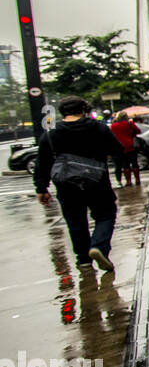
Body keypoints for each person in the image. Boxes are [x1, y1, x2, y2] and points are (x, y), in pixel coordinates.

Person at [34, 95, 124, 272]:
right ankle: (98, 246)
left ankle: (83, 260)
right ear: (84, 110)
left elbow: (42, 163)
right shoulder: (99, 129)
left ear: (62, 112)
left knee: (75, 221)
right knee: (105, 214)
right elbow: (117, 150)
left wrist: (41, 188)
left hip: (67, 186)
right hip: (97, 182)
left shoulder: (51, 135)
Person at [109, 111, 142, 187]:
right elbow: (138, 131)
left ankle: (128, 181)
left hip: (121, 147)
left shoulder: (113, 126)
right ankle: (137, 180)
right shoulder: (130, 123)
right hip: (131, 146)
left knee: (125, 165)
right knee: (134, 163)